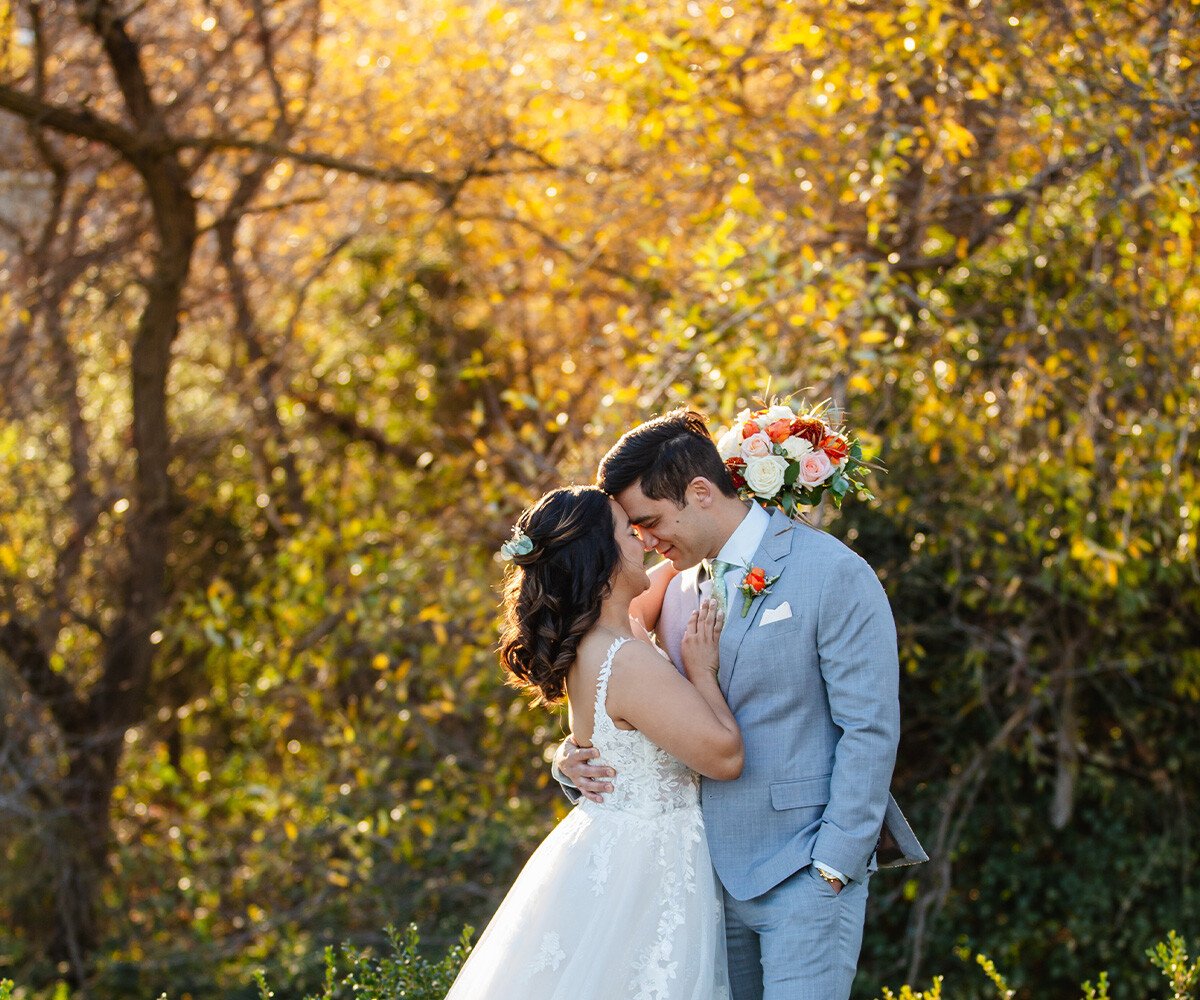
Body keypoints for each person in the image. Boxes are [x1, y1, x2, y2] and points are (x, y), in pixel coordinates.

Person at [556, 410, 928, 1000]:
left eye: (649, 521)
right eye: (636, 529)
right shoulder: (669, 586)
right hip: (700, 883)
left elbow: (870, 730)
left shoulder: (831, 573)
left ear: (700, 493)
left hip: (802, 871)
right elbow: (607, 680)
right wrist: (570, 756)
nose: (646, 541)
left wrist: (833, 866)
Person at [445, 485, 741, 1000]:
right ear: (598, 557)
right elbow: (725, 755)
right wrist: (702, 671)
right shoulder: (624, 658)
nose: (645, 539)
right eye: (629, 531)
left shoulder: (600, 634)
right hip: (648, 867)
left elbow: (666, 572)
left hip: (610, 845)